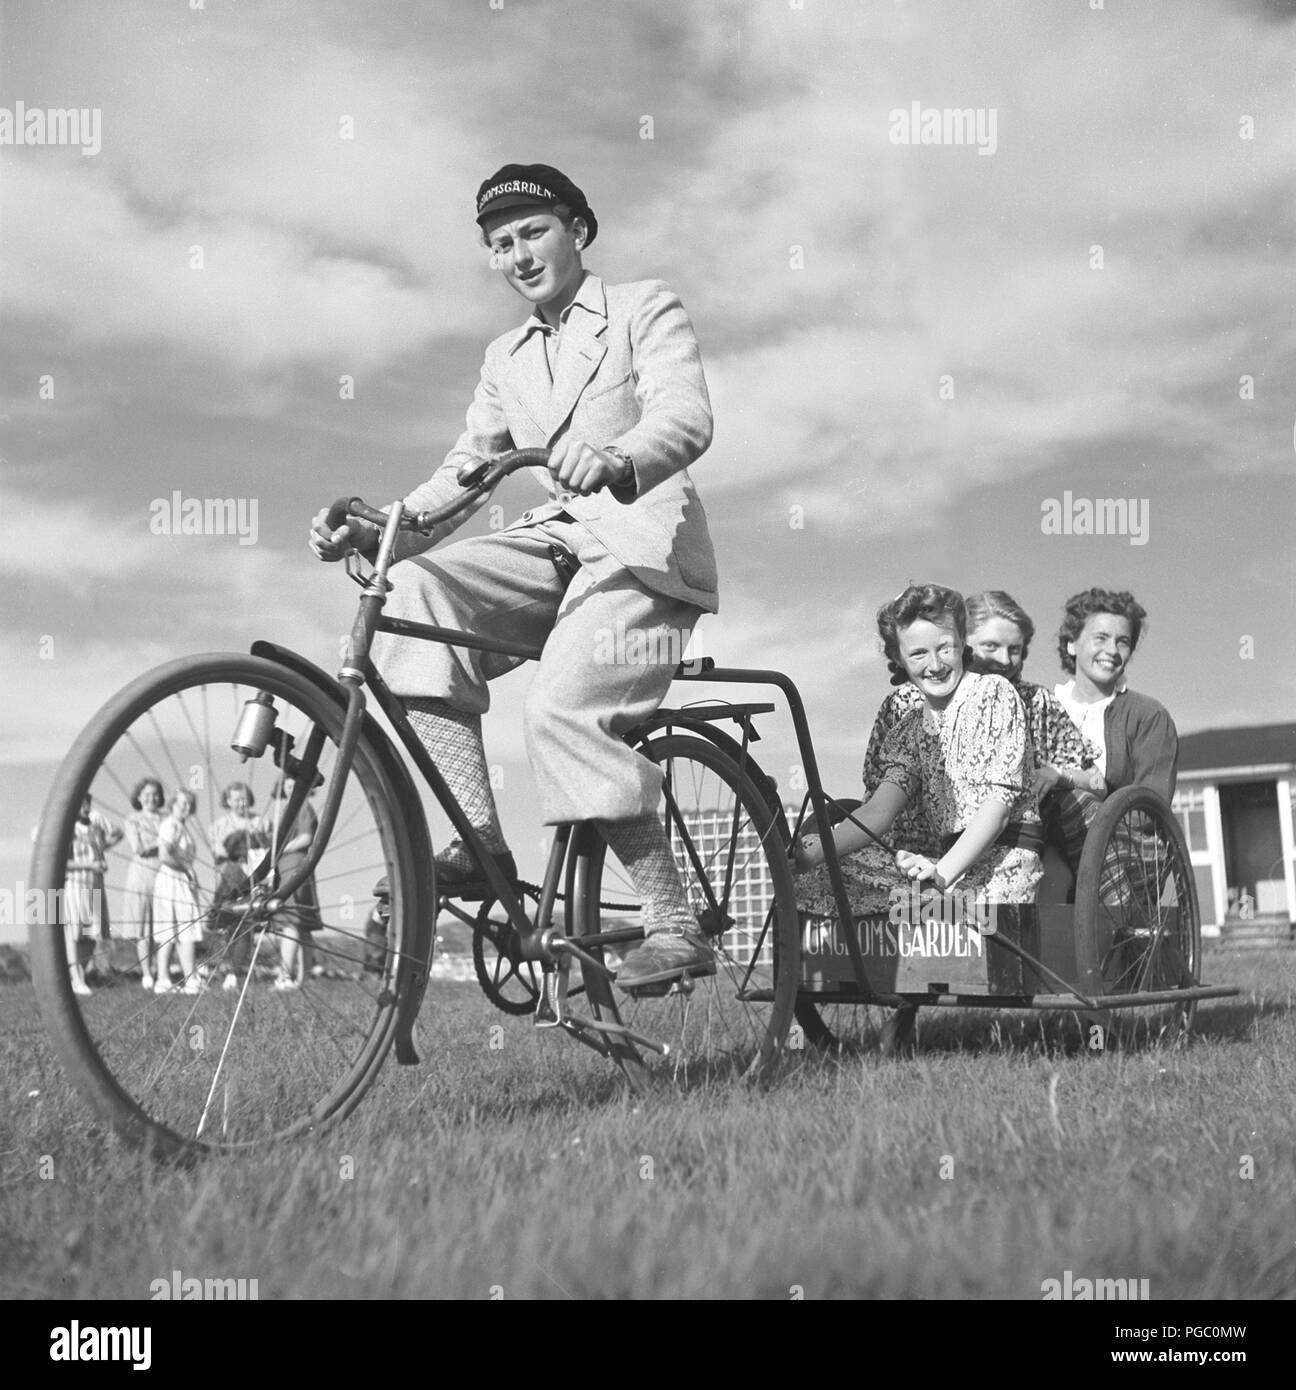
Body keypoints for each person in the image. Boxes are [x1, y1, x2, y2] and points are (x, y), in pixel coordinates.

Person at [309, 162, 718, 990]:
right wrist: (381, 525)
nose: (519, 255)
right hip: (554, 543)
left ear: (576, 229)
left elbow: (686, 415)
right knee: (415, 592)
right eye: (501, 245)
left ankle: (675, 924)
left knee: (562, 706)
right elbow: (466, 473)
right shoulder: (506, 356)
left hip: (641, 546)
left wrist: (616, 456)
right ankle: (481, 840)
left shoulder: (643, 307)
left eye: (533, 232)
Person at [795, 584, 1042, 914]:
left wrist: (939, 876)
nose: (935, 664)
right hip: (943, 867)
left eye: (945, 648)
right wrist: (812, 853)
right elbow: (878, 812)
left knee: (940, 908)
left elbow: (997, 811)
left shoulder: (993, 695)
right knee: (821, 875)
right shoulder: (911, 726)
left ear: (962, 643)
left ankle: (929, 916)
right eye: (919, 654)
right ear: (899, 657)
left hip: (1002, 862)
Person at [963, 590, 1107, 887]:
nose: (1004, 660)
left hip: (1024, 834)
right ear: (962, 645)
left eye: (1014, 649)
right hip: (953, 833)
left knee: (1084, 805)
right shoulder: (942, 702)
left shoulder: (1037, 701)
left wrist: (1057, 773)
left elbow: (1098, 783)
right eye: (990, 646)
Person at [1051, 588, 1178, 871]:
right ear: (1072, 643)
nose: (1111, 651)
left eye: (1122, 642)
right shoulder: (1045, 707)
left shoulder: (1148, 716)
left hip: (1120, 852)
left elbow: (1149, 808)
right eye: (1100, 638)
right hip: (1047, 848)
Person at [208, 781, 271, 991]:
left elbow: (268, 847)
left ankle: (236, 971)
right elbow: (218, 853)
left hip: (254, 874)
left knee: (247, 923)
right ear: (228, 801)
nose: (240, 803)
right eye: (235, 800)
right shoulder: (219, 825)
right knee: (230, 922)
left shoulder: (260, 821)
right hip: (232, 876)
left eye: (243, 799)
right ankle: (228, 967)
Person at [261, 774, 322, 989]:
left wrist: (278, 851)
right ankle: (303, 979)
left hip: (293, 865)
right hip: (292, 865)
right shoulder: (287, 809)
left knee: (291, 921)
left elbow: (306, 838)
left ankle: (286, 976)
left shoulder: (301, 806)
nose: (291, 789)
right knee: (302, 926)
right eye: (287, 785)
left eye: (295, 785)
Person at [63, 794, 123, 995]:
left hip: (95, 883)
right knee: (74, 933)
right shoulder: (67, 829)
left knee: (91, 934)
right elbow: (62, 862)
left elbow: (117, 833)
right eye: (81, 803)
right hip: (75, 884)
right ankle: (76, 978)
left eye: (87, 803)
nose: (85, 807)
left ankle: (79, 975)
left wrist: (102, 852)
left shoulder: (95, 827)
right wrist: (90, 864)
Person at [151, 789, 203, 994]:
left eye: (189, 804)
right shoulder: (170, 825)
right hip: (172, 878)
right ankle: (174, 979)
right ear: (172, 804)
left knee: (180, 929)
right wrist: (185, 869)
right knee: (179, 928)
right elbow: (164, 855)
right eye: (182, 803)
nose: (186, 807)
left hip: (180, 878)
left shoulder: (181, 826)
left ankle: (180, 978)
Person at [121, 777, 166, 989]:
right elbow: (138, 848)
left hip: (165, 870)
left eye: (155, 794)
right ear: (139, 797)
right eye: (146, 794)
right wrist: (164, 842)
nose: (151, 798)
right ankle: (147, 974)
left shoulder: (166, 818)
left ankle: (162, 970)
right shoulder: (133, 819)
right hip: (143, 872)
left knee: (166, 923)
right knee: (144, 926)